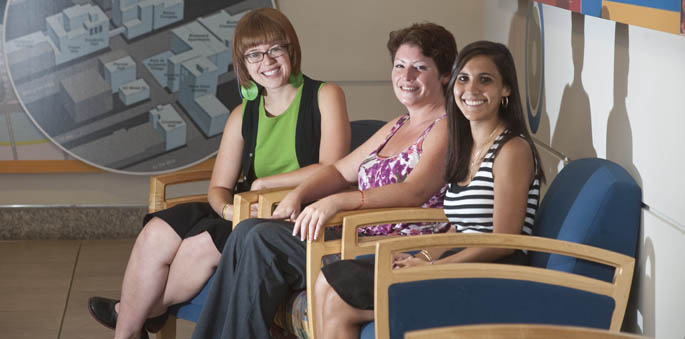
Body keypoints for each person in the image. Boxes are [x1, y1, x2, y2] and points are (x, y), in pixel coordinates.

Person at [87, 8, 350, 339]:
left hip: (293, 214)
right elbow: (219, 187)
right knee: (156, 231)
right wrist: (228, 209)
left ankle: (134, 312)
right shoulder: (242, 114)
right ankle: (126, 332)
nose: (266, 61)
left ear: (291, 49)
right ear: (243, 64)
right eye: (254, 54)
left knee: (199, 245)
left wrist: (265, 184)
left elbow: (332, 168)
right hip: (242, 210)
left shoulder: (325, 95)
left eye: (274, 49)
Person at [190, 22, 458, 338]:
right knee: (247, 231)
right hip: (355, 233)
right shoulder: (397, 125)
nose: (406, 76)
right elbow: (339, 171)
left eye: (419, 67)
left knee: (262, 240)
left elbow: (414, 191)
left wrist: (338, 200)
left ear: (444, 75)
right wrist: (299, 195)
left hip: (387, 247)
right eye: (400, 65)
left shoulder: (446, 127)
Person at [313, 40, 545, 338]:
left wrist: (435, 267)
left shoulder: (512, 149)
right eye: (463, 78)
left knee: (338, 301)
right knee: (327, 280)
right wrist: (423, 257)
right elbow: (458, 228)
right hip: (460, 262)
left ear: (506, 90)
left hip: (493, 274)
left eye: (485, 80)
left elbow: (503, 242)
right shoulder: (467, 148)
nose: (471, 89)